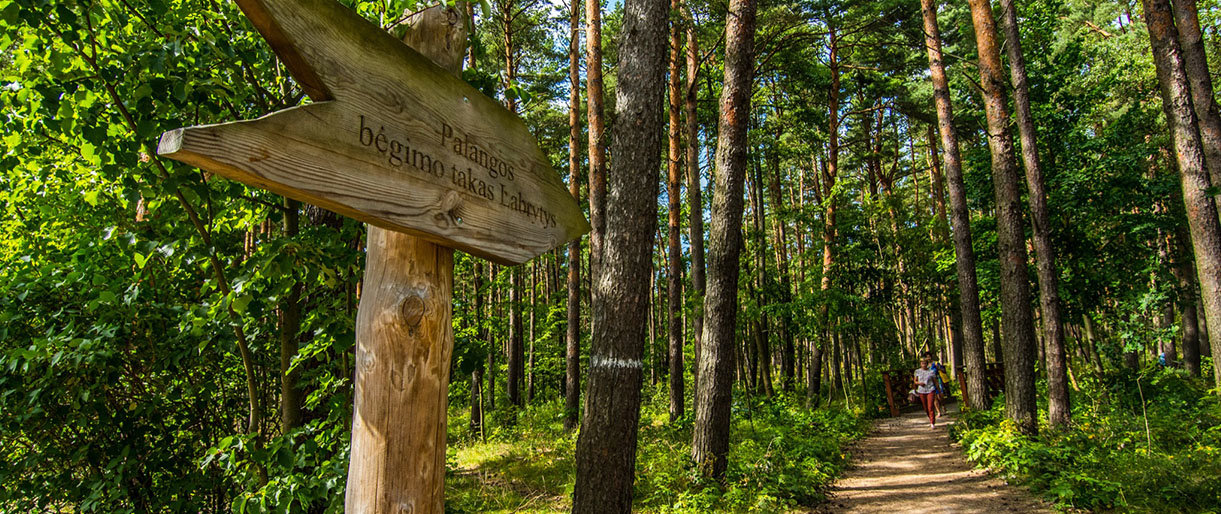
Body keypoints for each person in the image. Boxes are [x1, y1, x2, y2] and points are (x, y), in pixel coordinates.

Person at [914, 358, 939, 429]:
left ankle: (932, 422)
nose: (924, 365)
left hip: (930, 389)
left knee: (930, 406)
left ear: (927, 364)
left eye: (925, 363)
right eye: (922, 363)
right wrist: (919, 383)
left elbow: (935, 381)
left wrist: (938, 391)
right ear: (920, 364)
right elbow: (915, 381)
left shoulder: (931, 372)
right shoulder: (917, 371)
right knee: (925, 407)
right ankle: (930, 417)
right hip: (921, 390)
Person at [922, 351, 949, 416]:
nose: (928, 358)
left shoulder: (936, 363)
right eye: (927, 357)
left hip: (937, 380)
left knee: (940, 396)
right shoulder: (925, 366)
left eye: (929, 357)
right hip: (930, 382)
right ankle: (938, 412)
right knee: (934, 397)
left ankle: (943, 406)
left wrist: (939, 368)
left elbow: (943, 370)